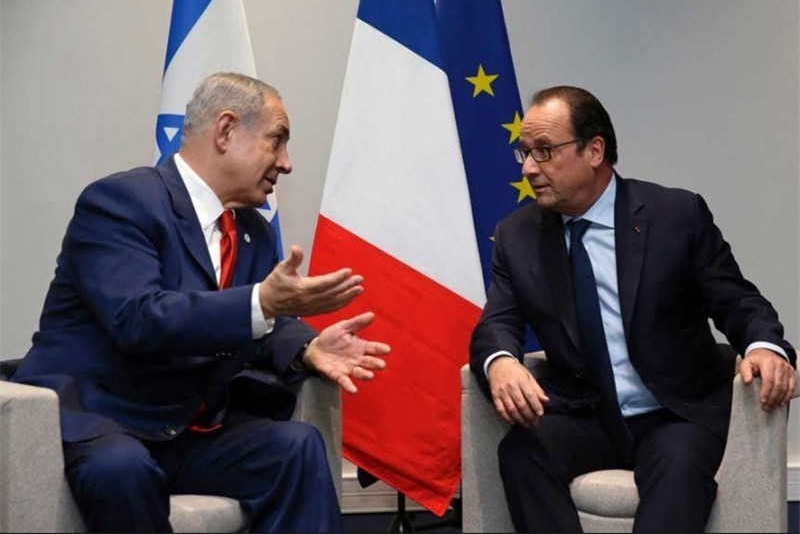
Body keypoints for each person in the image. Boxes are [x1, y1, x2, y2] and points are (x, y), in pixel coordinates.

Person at [12, 72, 391, 533]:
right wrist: (262, 303)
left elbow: (254, 321)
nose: (287, 163)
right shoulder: (121, 202)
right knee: (122, 468)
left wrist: (307, 348)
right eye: (276, 141)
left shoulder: (252, 231)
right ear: (226, 131)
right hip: (103, 418)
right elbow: (139, 319)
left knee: (297, 447)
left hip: (185, 432)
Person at [470, 85, 796, 533]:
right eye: (525, 153)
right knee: (522, 453)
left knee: (678, 470)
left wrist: (763, 346)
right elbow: (497, 322)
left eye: (544, 151)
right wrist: (501, 362)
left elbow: (738, 301)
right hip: (587, 414)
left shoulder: (675, 215)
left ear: (594, 150)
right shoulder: (518, 235)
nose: (529, 168)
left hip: (675, 413)